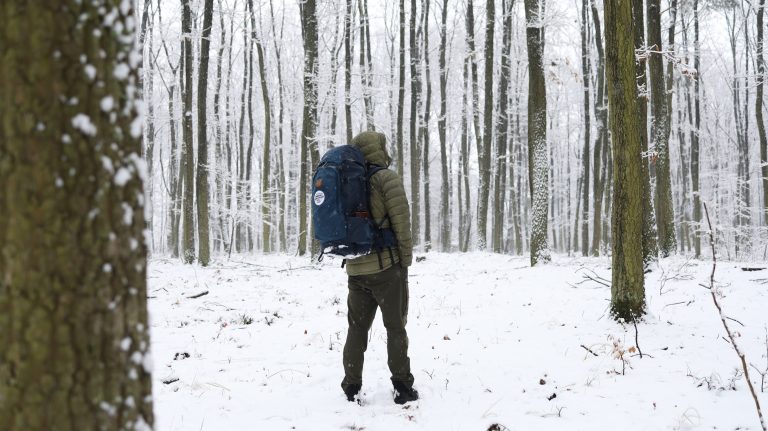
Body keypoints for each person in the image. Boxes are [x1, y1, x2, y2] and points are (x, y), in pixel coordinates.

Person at [340, 131, 418, 405]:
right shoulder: (387, 179)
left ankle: (351, 386)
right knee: (395, 327)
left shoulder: (348, 181)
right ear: (380, 149)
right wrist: (405, 260)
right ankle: (402, 388)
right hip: (387, 270)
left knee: (356, 329)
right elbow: (402, 225)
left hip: (355, 270)